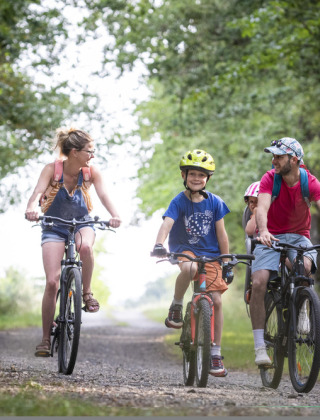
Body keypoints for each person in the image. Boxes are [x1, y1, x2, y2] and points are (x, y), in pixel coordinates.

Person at [25, 127, 121, 357]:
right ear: (75, 151)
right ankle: (45, 338)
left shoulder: (91, 172)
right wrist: (30, 208)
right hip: (53, 226)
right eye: (89, 151)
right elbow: (38, 191)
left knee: (85, 247)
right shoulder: (52, 169)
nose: (92, 155)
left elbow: (104, 195)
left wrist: (114, 215)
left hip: (82, 224)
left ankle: (86, 293)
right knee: (51, 282)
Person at [152, 149, 231, 377]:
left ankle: (215, 353)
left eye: (202, 175)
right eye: (193, 174)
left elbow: (222, 235)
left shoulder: (216, 203)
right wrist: (159, 244)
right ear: (184, 176)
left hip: (211, 254)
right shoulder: (178, 201)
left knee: (216, 300)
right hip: (186, 250)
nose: (197, 178)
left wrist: (225, 262)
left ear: (208, 178)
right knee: (190, 267)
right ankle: (177, 305)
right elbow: (167, 223)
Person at [249, 137, 320, 365]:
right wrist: (264, 230)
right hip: (271, 235)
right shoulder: (270, 178)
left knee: (305, 269)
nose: (274, 160)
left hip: (299, 236)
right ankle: (260, 346)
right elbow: (262, 206)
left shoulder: (309, 182)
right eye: (273, 156)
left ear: (294, 159)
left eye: (279, 156)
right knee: (259, 282)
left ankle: (302, 310)